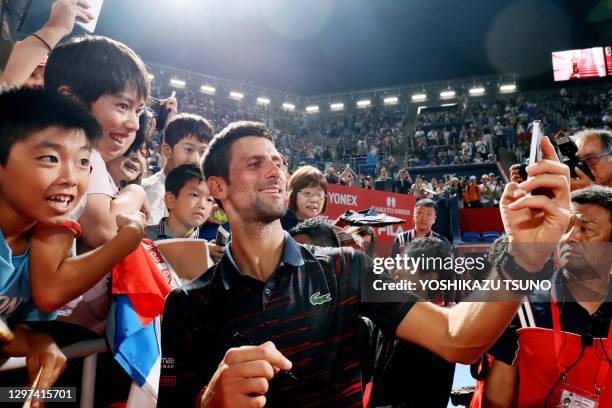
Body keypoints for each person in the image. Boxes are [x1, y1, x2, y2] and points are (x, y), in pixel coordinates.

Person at [159, 122, 571, 407]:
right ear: (218, 187)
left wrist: (525, 253)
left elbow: (456, 336)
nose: (275, 171)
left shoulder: (347, 269)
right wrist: (208, 402)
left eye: (278, 161)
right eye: (254, 164)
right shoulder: (185, 305)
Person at [484, 185, 612, 408]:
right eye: (566, 228)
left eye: (586, 229)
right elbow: (496, 400)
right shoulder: (522, 309)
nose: (570, 238)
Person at [370, 238, 457, 408]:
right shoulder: (387, 317)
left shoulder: (437, 330)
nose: (396, 270)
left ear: (430, 277)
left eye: (405, 264)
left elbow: (432, 397)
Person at [142, 113, 213, 226]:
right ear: (167, 150)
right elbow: (150, 241)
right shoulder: (156, 192)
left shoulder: (184, 188)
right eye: (189, 149)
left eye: (202, 152)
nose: (196, 160)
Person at [145, 164, 214, 242]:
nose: (202, 205)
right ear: (170, 200)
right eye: (194, 195)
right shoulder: (142, 239)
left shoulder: (210, 249)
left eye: (209, 199)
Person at [280, 165, 328, 231]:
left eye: (319, 194)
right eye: (307, 193)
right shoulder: (277, 223)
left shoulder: (321, 230)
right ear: (293, 194)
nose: (314, 199)